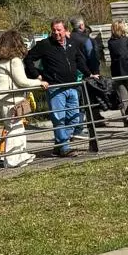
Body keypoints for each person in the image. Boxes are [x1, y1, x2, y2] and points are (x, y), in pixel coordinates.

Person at [24, 19, 84, 157]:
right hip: (55, 87)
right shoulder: (45, 45)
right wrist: (37, 75)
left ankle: (60, 144)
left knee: (74, 118)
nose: (56, 33)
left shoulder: (71, 43)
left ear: (65, 30)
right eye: (54, 30)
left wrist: (90, 74)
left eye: (59, 30)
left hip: (71, 85)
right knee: (59, 119)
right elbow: (28, 59)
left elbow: (80, 60)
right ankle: (64, 147)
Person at [0, 30, 43, 167]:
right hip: (10, 98)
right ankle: (13, 160)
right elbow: (22, 81)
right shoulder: (14, 60)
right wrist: (40, 83)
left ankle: (21, 154)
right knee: (15, 128)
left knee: (14, 126)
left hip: (0, 97)